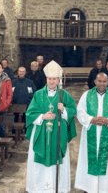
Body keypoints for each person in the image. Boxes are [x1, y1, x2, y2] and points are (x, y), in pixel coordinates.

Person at [25, 61, 77, 193]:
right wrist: (42, 116)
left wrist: (64, 109)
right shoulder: (38, 95)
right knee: (40, 160)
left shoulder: (64, 95)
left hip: (58, 134)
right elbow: (30, 114)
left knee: (57, 159)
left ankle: (58, 188)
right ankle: (39, 188)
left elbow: (73, 111)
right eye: (49, 78)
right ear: (46, 79)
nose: (52, 81)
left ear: (58, 80)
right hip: (41, 132)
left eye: (54, 79)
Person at [75, 73, 108, 193]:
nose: (102, 84)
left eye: (104, 81)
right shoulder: (86, 95)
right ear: (95, 81)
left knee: (107, 161)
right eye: (100, 81)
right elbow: (80, 111)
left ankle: (106, 188)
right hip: (90, 132)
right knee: (89, 159)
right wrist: (91, 119)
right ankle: (90, 187)